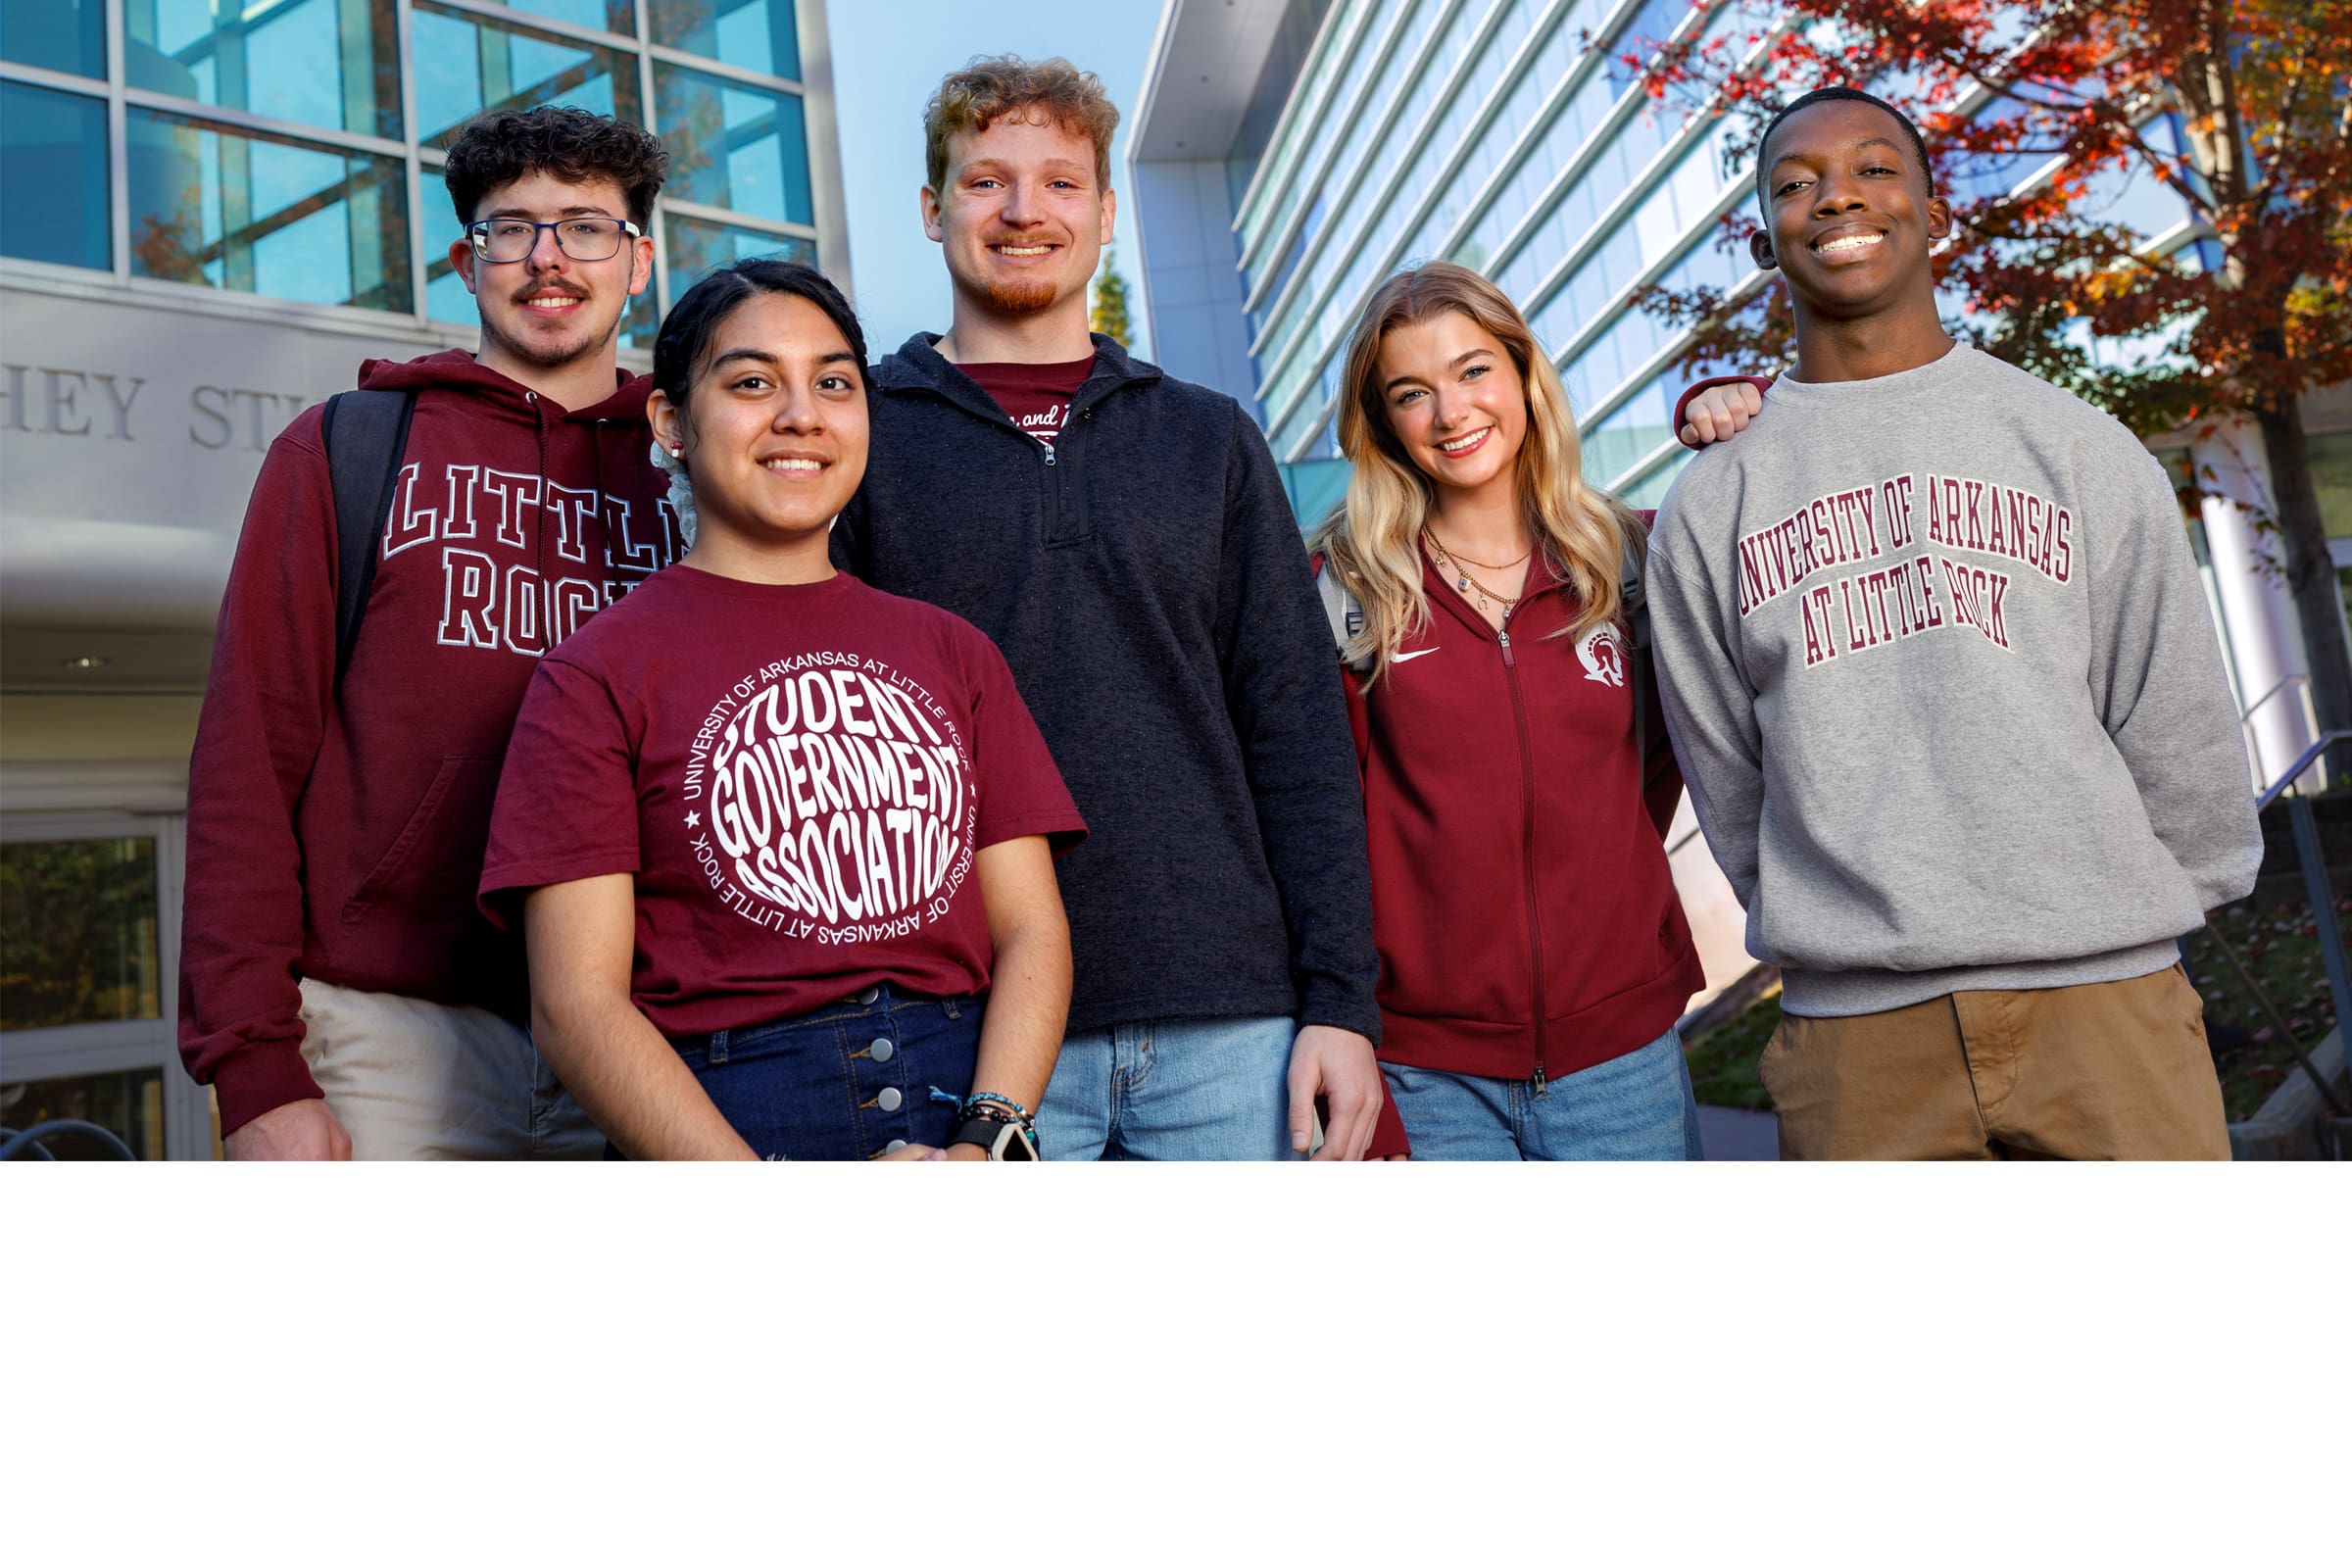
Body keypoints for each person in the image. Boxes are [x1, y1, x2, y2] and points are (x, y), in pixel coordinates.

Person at [1645, 86, 2262, 1160]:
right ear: (1764, 237)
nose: (1837, 197)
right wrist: (1836, 931)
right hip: (1860, 1037)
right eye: (1797, 184)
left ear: (1939, 214)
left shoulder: (2073, 445)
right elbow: (1726, 774)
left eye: (1876, 169)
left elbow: (2173, 712)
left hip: (2108, 1001)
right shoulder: (1714, 500)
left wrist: (2147, 924)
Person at [833, 57, 1387, 1159]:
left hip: (1232, 1021)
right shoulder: (857, 438)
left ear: (1105, 212)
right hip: (970, 1030)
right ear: (933, 210)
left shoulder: (1210, 436)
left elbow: (1297, 730)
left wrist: (1342, 1003)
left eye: (1060, 183)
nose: (1025, 211)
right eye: (987, 181)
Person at [477, 260, 1084, 1161]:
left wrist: (985, 1139)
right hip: (723, 1123)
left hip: (965, 1107)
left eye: (834, 383)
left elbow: (1032, 927)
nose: (801, 415)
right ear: (672, 422)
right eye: (754, 382)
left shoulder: (952, 652)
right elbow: (576, 1006)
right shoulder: (594, 674)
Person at [178, 106, 677, 1159]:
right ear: (467, 260)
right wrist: (254, 1064)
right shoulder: (346, 449)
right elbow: (245, 764)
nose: (549, 259)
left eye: (586, 227)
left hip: (660, 1033)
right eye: (513, 228)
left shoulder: (695, 471)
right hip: (392, 1039)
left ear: (639, 262)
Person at [1310, 263, 1707, 1159]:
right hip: (1424, 1071)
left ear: (1524, 374)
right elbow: (1317, 826)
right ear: (1382, 422)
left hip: (1622, 1058)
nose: (1452, 414)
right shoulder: (1343, 592)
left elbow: (1657, 766)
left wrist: (1741, 404)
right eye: (1412, 393)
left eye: (1473, 371)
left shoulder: (1630, 562)